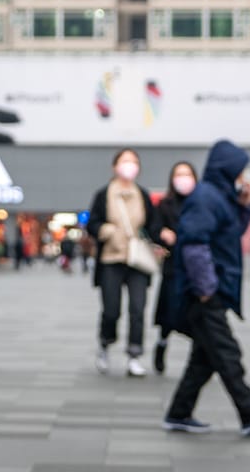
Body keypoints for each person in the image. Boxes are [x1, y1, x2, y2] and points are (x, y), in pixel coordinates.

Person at [161, 140, 250, 438]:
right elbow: (193, 245)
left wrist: (243, 208)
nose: (243, 177)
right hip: (204, 295)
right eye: (239, 171)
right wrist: (206, 289)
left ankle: (179, 413)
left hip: (212, 291)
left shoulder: (219, 198)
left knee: (203, 360)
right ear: (227, 169)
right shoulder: (206, 198)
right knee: (227, 353)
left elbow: (229, 235)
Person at [86, 149, 158, 378]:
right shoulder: (104, 194)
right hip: (111, 258)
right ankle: (105, 344)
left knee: (137, 308)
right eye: (125, 161)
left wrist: (159, 238)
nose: (130, 166)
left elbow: (153, 224)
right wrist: (104, 230)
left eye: (134, 162)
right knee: (111, 309)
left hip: (137, 259)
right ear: (114, 166)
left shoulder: (142, 195)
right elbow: (92, 222)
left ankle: (134, 355)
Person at [149, 161, 197, 375]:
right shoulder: (165, 204)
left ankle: (199, 354)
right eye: (179, 174)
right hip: (172, 266)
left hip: (195, 268)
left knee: (195, 314)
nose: (183, 178)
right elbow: (154, 228)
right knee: (169, 312)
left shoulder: (200, 204)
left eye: (187, 174)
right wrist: (162, 235)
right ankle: (161, 344)